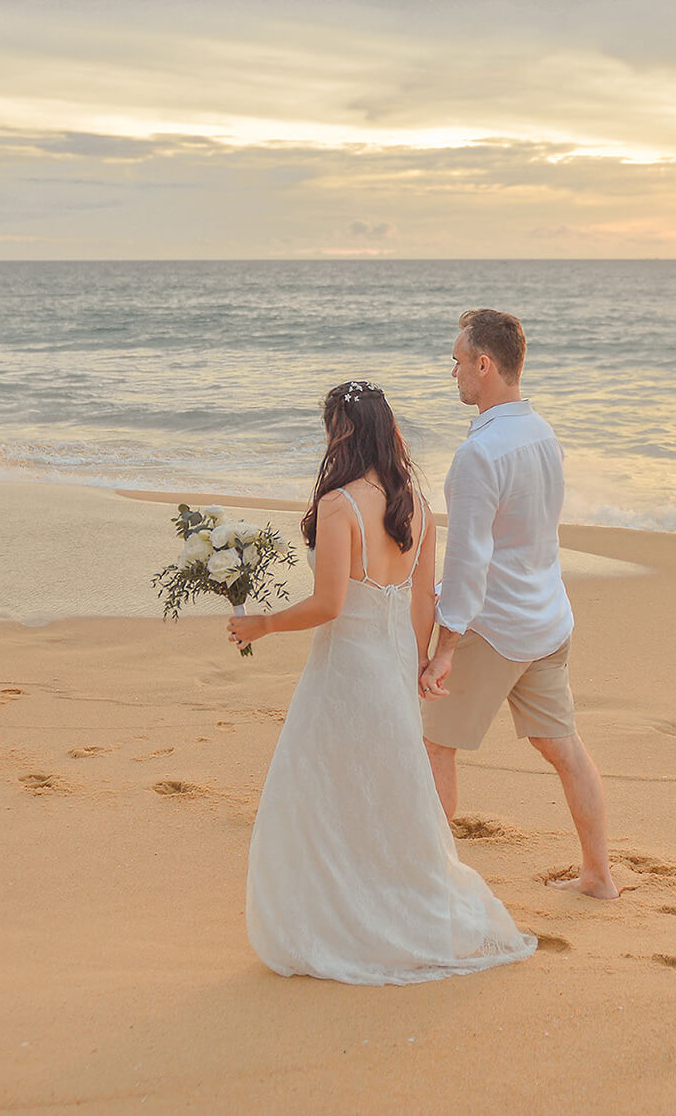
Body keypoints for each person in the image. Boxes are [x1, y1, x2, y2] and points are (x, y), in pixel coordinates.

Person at [228, 380, 537, 984]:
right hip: (394, 661)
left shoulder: (342, 507)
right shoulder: (415, 505)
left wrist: (262, 624)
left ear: (340, 433)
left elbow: (329, 604)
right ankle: (397, 907)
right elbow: (424, 598)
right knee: (388, 791)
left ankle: (341, 918)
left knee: (325, 789)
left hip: (345, 669)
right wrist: (421, 664)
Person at [420, 309, 619, 899]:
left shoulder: (478, 455)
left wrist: (445, 646)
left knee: (435, 744)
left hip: (495, 628)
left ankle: (430, 883)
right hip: (549, 619)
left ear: (484, 365)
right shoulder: (542, 432)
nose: (452, 371)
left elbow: (468, 560)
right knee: (564, 749)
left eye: (457, 361)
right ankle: (599, 878)